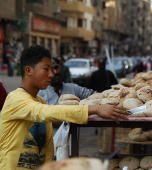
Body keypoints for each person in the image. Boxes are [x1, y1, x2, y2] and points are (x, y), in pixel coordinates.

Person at [0, 45, 129, 169]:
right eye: (46, 69)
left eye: (52, 68)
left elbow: (48, 148)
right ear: (28, 70)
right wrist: (95, 109)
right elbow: (44, 112)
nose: (51, 74)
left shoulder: (41, 101)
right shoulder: (15, 99)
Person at [38, 58, 94, 133]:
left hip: (71, 141)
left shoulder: (73, 88)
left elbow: (94, 96)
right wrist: (52, 122)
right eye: (50, 70)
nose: (56, 72)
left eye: (56, 67)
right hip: (49, 142)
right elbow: (32, 118)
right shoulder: (38, 93)